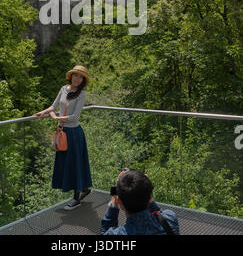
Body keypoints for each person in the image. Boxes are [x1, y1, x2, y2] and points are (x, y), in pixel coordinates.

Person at [35, 65, 92, 210]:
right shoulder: (63, 89)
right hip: (63, 133)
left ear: (83, 80)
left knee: (75, 163)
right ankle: (85, 189)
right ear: (71, 76)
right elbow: (53, 106)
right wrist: (43, 113)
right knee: (67, 163)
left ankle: (76, 198)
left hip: (74, 134)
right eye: (75, 75)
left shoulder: (82, 94)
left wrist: (56, 118)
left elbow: (75, 117)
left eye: (80, 77)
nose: (77, 78)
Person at [101, 169, 179, 235]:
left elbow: (104, 232)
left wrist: (114, 196)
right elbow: (159, 214)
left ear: (119, 201)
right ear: (150, 197)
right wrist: (145, 188)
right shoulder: (170, 219)